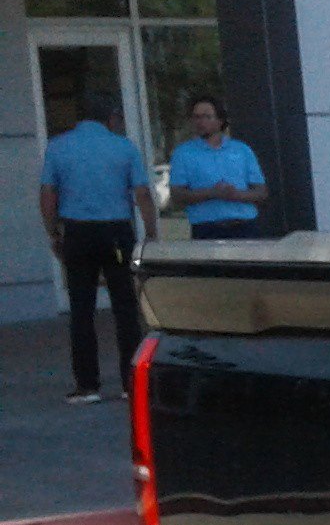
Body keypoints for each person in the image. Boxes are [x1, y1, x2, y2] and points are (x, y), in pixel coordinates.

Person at [38, 88, 157, 405]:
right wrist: (151, 234)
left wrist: (53, 233)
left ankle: (87, 385)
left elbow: (48, 194)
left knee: (81, 310)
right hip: (117, 232)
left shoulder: (58, 146)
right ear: (111, 118)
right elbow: (142, 194)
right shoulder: (124, 147)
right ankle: (130, 383)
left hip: (77, 233)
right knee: (125, 309)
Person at [164, 96, 268, 242]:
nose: (200, 122)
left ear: (220, 120)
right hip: (207, 229)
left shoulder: (241, 150)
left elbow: (261, 192)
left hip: (245, 227)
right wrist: (212, 193)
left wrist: (235, 195)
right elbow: (177, 195)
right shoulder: (183, 153)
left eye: (207, 117)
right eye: (196, 117)